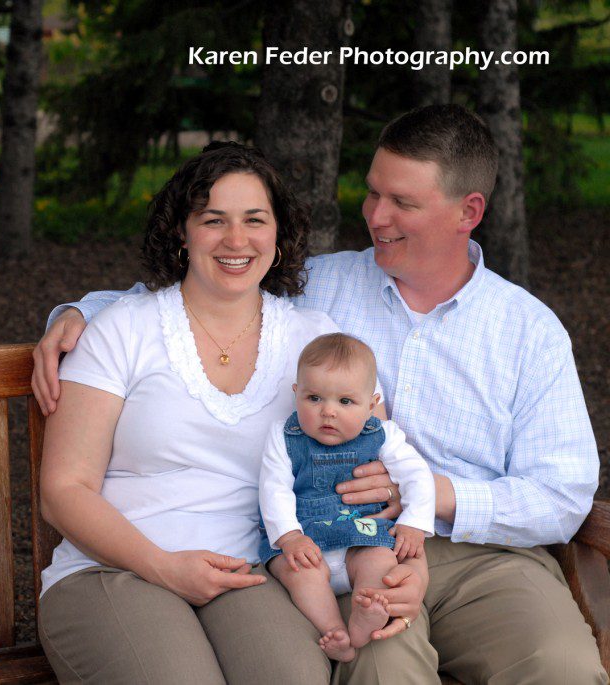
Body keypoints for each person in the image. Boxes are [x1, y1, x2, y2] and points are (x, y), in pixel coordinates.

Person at [34, 105, 606, 684]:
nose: (375, 216)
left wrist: (428, 494)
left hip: (481, 556)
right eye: (373, 193)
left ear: (469, 212)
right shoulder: (324, 287)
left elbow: (563, 495)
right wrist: (80, 312)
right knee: (378, 663)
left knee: (560, 667)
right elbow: (211, 287)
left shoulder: (527, 330)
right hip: (352, 551)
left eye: (402, 202)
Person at [38, 141, 426, 684]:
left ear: (278, 233)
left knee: (293, 678)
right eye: (213, 219)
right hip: (115, 566)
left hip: (251, 569)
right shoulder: (122, 329)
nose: (236, 240)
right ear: (182, 232)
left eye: (254, 220)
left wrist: (411, 565)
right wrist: (163, 566)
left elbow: (377, 471)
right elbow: (63, 488)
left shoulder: (314, 341)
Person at [261, 333, 435, 663]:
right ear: (296, 393)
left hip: (361, 536)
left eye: (345, 402)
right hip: (305, 539)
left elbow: (417, 475)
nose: (328, 411)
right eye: (314, 398)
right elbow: (273, 489)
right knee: (300, 575)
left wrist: (414, 523)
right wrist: (290, 537)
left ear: (371, 405)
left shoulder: (382, 435)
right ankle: (335, 631)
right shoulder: (284, 436)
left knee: (381, 563)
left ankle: (364, 616)